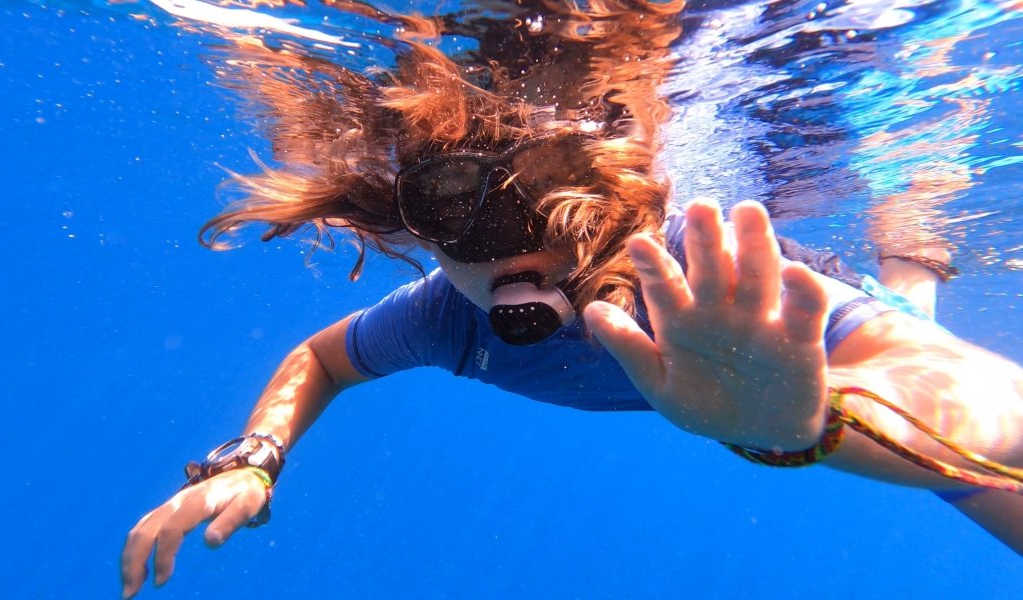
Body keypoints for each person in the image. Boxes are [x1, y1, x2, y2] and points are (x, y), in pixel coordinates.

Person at [121, 1, 1023, 597]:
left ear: (604, 195)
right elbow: (322, 358)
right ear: (415, 225)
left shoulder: (688, 274)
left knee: (935, 389)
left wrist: (812, 421)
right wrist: (255, 456)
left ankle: (912, 236)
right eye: (455, 209)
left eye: (551, 201)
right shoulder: (442, 316)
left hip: (833, 366)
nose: (515, 248)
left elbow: (985, 402)